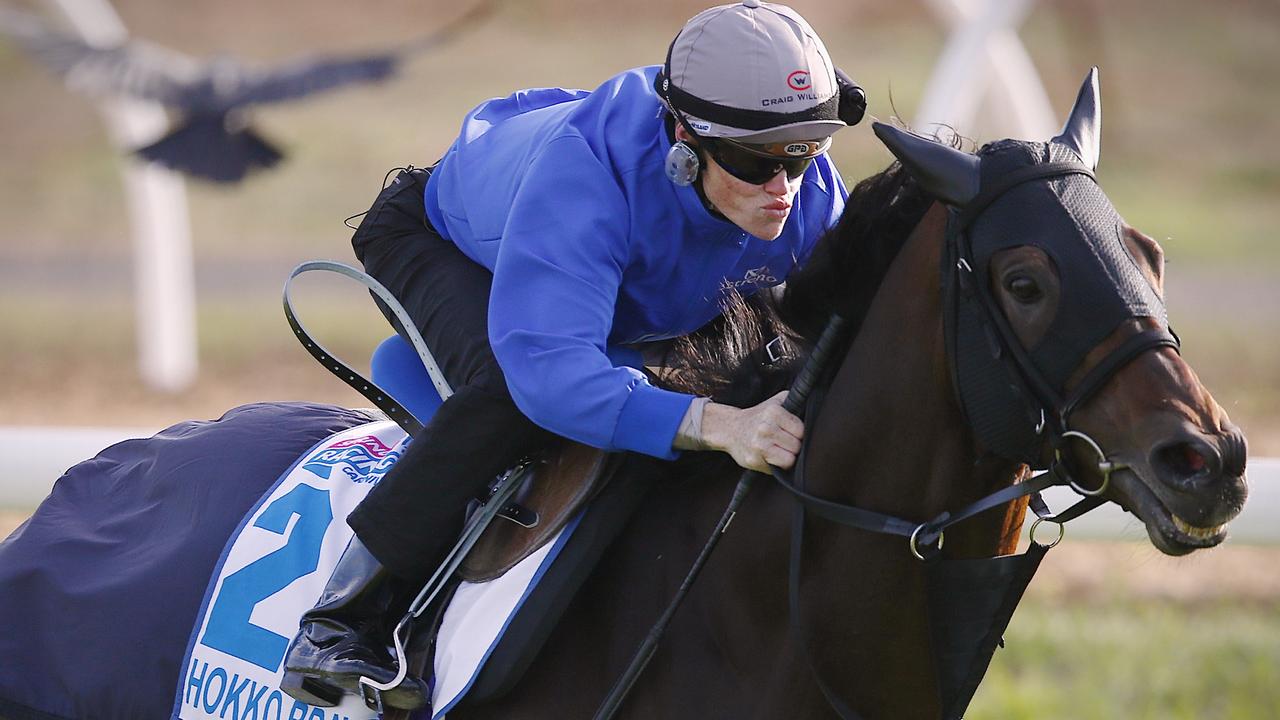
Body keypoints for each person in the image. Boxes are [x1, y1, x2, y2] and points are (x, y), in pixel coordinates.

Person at [281, 0, 863, 710]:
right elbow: (551, 376)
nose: (784, 188)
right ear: (684, 135)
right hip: (444, 245)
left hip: (600, 267)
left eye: (805, 150)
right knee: (512, 394)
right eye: (753, 160)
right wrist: (717, 425)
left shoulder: (806, 197)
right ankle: (344, 622)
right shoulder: (589, 178)